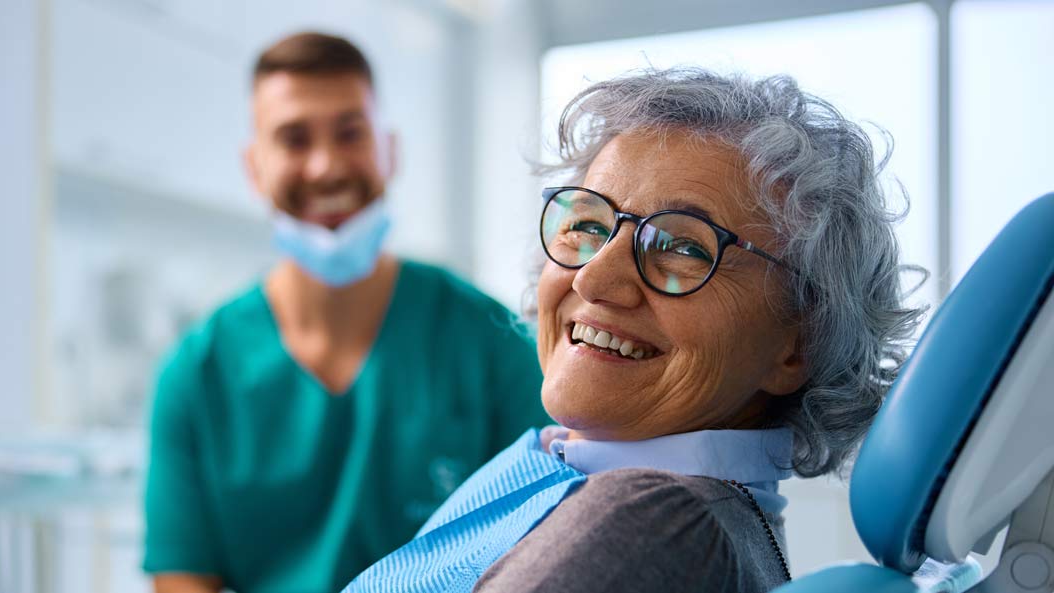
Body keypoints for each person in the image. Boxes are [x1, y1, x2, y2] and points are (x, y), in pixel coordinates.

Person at [341, 67, 925, 593]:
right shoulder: (569, 466)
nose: (595, 278)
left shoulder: (657, 521)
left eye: (681, 247)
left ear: (797, 344)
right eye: (589, 224)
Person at [142, 32, 549, 593]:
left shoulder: (492, 343)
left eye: (350, 133)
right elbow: (183, 580)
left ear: (391, 151)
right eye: (293, 138)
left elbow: (546, 553)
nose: (326, 166)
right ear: (255, 168)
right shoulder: (197, 375)